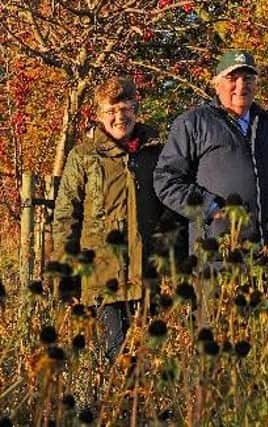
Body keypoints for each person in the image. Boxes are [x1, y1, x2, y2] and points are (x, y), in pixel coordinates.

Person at [53, 76, 164, 360]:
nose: (119, 117)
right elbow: (66, 217)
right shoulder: (84, 157)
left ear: (135, 109)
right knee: (114, 359)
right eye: (111, 111)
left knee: (148, 363)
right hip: (102, 279)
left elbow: (169, 211)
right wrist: (66, 276)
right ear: (99, 115)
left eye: (125, 109)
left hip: (149, 277)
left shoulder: (155, 153)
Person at [153, 50, 268, 251]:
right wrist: (210, 207)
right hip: (217, 253)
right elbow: (166, 181)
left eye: (248, 78)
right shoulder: (193, 124)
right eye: (232, 78)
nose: (241, 85)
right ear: (216, 84)